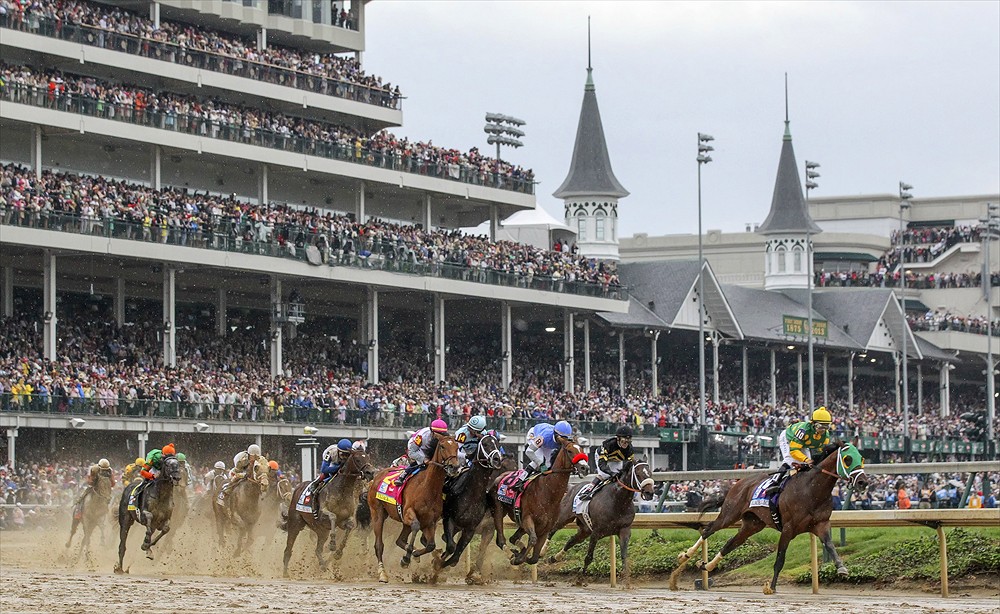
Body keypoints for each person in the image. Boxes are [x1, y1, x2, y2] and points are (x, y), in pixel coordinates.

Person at [765, 407, 832, 496]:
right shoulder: (803, 431)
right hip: (788, 439)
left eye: (826, 426)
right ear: (813, 424)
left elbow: (821, 452)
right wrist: (806, 459)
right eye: (820, 426)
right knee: (790, 460)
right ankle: (774, 482)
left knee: (809, 466)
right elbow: (794, 450)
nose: (822, 430)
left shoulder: (825, 436)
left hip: (803, 444)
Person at [579, 425, 634, 501]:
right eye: (623, 441)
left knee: (620, 476)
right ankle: (588, 490)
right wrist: (610, 473)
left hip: (617, 460)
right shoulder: (608, 444)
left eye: (628, 442)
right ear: (618, 439)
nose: (625, 444)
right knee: (604, 475)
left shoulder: (630, 449)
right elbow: (602, 465)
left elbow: (630, 464)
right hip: (603, 457)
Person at [307, 439, 352, 519]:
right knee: (327, 474)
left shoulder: (352, 454)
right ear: (338, 451)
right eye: (343, 454)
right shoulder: (330, 452)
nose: (345, 457)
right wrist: (338, 467)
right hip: (332, 462)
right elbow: (324, 469)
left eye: (347, 455)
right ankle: (316, 484)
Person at [395, 419, 450, 486]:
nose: (441, 437)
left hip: (431, 446)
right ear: (432, 432)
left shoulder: (446, 436)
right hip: (417, 447)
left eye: (443, 434)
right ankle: (403, 475)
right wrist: (423, 459)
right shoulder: (422, 436)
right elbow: (411, 452)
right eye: (439, 434)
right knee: (422, 463)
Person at [217, 443, 262, 508]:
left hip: (249, 474)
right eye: (253, 456)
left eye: (256, 457)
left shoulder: (259, 460)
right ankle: (223, 494)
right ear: (249, 455)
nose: (255, 458)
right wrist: (245, 474)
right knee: (234, 480)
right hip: (237, 472)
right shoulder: (242, 460)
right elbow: (237, 470)